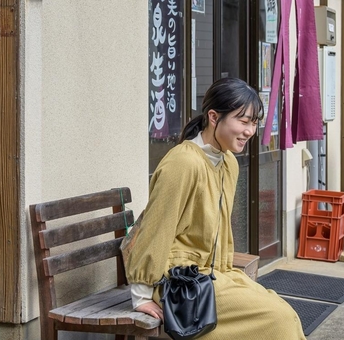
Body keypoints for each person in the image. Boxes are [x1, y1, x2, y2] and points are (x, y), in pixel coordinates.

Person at [125, 77, 305, 340]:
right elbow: (156, 228)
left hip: (213, 274)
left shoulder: (227, 163)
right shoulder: (183, 163)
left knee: (282, 309)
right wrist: (140, 296)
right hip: (178, 282)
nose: (250, 131)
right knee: (278, 320)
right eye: (243, 121)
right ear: (213, 116)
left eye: (254, 122)